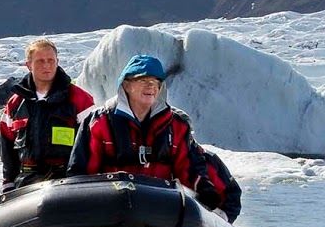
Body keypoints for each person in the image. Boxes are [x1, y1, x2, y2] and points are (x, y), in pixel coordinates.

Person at [67, 54, 226, 212]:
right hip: (109, 207)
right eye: (143, 80)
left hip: (161, 209)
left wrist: (204, 189)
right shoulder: (98, 122)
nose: (151, 86)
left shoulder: (177, 125)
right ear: (126, 85)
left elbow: (189, 167)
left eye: (155, 82)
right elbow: (81, 172)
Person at [0, 37, 95, 193]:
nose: (47, 65)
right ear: (28, 65)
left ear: (57, 62)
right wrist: (8, 181)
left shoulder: (79, 99)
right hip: (26, 183)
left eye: (51, 60)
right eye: (40, 61)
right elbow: (7, 145)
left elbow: (94, 141)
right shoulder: (15, 103)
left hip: (68, 182)